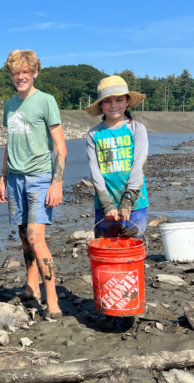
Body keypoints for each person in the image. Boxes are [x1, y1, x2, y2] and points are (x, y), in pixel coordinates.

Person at [0, 50, 66, 319]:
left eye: (26, 72)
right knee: (25, 237)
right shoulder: (9, 104)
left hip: (39, 177)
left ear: (35, 72)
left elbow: (60, 145)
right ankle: (31, 286)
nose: (20, 76)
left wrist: (57, 183)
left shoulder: (46, 101)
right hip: (14, 179)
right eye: (16, 72)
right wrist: (3, 178)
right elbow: (9, 142)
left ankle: (53, 301)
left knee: (37, 239)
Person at [85, 76, 148, 329]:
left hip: (137, 203)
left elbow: (139, 164)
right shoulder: (93, 134)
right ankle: (110, 307)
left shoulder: (137, 129)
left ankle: (130, 305)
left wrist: (128, 199)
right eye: (107, 101)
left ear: (127, 102)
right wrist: (108, 204)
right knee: (108, 253)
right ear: (100, 106)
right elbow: (95, 171)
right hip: (105, 204)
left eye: (119, 100)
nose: (114, 105)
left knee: (132, 253)